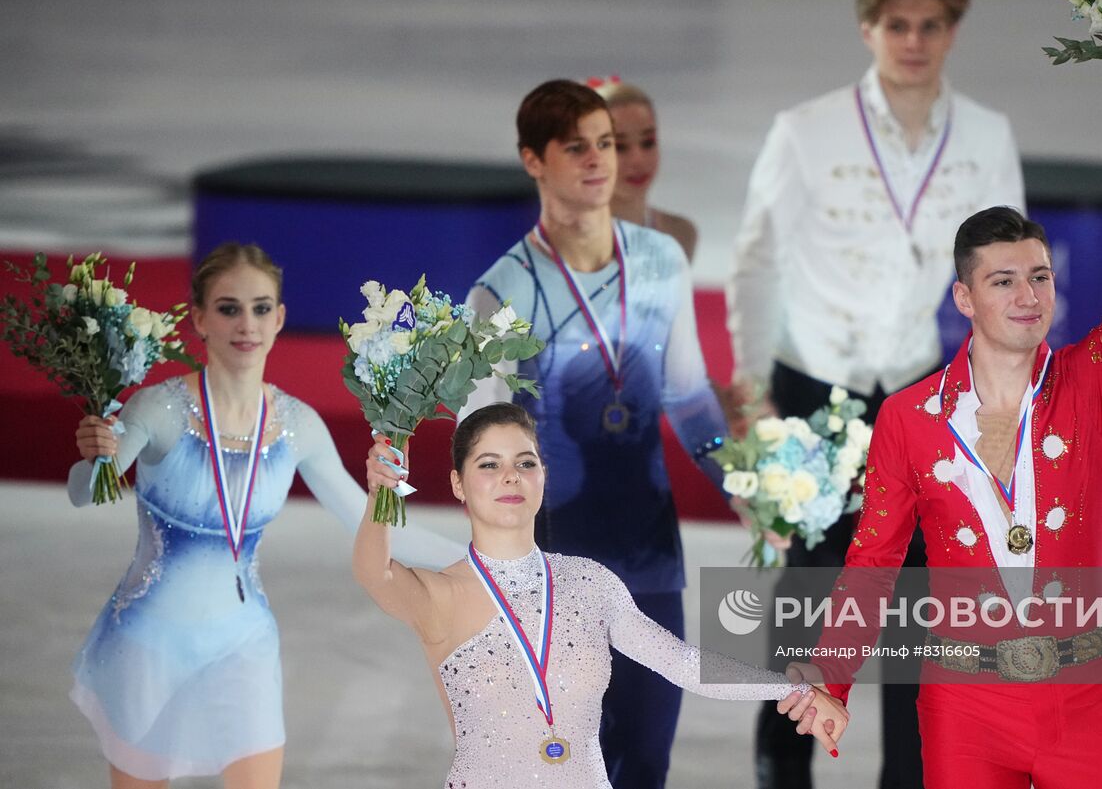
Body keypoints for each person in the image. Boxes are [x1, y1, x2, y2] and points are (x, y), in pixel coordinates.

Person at [810, 82, 1102, 788]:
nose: (1028, 296)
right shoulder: (909, 418)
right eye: (1003, 282)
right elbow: (872, 562)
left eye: (1040, 276)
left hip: (1083, 697)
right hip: (965, 706)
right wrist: (831, 682)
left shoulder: (1093, 383)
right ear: (964, 297)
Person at [725, 0, 1024, 788]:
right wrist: (752, 395)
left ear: (953, 32)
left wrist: (1008, 398)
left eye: (931, 25)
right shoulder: (806, 128)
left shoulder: (986, 135)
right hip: (814, 387)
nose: (915, 40)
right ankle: (782, 763)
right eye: (898, 25)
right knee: (815, 591)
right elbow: (755, 264)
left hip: (925, 390)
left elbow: (1010, 275)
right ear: (869, 29)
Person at [67, 243, 464, 789]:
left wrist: (486, 561)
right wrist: (94, 456)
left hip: (243, 643)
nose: (246, 323)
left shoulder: (299, 424)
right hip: (148, 644)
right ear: (201, 319)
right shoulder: (156, 409)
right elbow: (86, 492)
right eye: (229, 308)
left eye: (260, 308)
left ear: (279, 319)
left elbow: (370, 521)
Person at [459, 79, 733, 788]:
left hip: (648, 551)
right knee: (557, 764)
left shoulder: (660, 261)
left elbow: (687, 394)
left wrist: (754, 493)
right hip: (550, 562)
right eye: (575, 146)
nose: (598, 160)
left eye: (605, 143)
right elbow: (480, 444)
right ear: (532, 160)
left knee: (645, 760)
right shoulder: (502, 291)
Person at [354, 402, 849, 788]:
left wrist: (795, 689)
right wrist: (381, 492)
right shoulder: (440, 593)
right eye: (489, 464)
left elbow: (682, 662)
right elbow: (375, 573)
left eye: (526, 462)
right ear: (458, 485)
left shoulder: (589, 582)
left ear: (543, 476)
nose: (511, 476)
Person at [593, 78, 699, 262]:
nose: (638, 160)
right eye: (620, 146)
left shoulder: (680, 233)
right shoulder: (566, 241)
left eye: (648, 143)